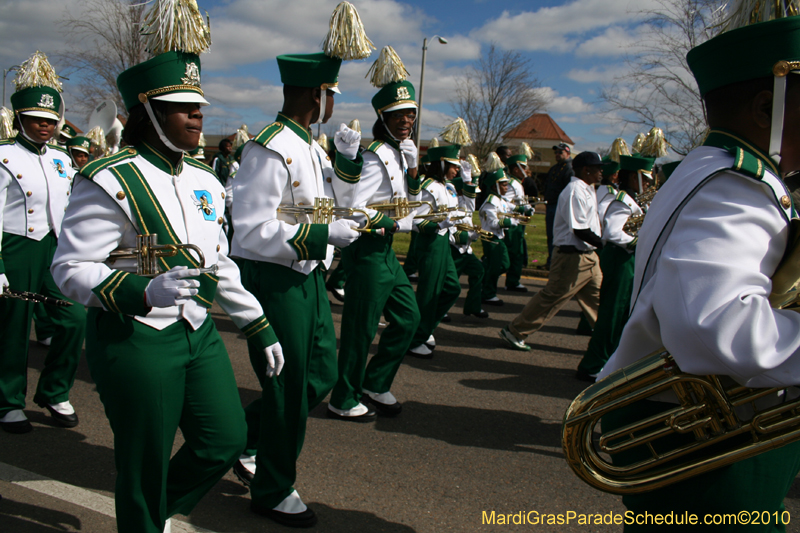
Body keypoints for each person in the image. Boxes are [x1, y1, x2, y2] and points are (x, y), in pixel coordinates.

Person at [51, 3, 285, 530]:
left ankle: (151, 518)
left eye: (198, 108)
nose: (197, 117)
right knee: (145, 461)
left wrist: (255, 322)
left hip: (197, 331)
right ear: (150, 112)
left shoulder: (206, 180)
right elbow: (69, 268)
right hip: (135, 336)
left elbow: (216, 261)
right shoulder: (109, 178)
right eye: (184, 109)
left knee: (224, 440)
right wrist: (140, 291)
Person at [593, 10, 800, 528]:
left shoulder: (713, 169)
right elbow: (714, 327)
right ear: (765, 108)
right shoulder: (736, 187)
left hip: (699, 426)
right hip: (709, 439)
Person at [230, 5, 369, 521]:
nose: (334, 104)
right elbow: (250, 231)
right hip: (277, 277)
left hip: (308, 276)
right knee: (287, 386)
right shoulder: (269, 149)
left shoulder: (311, 146)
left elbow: (329, 203)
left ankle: (244, 439)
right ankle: (273, 488)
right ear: (317, 94)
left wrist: (347, 171)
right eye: (332, 94)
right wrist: (322, 236)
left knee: (320, 374)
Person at [327, 45, 421, 420]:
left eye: (411, 114)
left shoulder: (400, 154)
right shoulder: (373, 156)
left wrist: (414, 172)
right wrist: (387, 222)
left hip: (386, 254)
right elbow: (352, 207)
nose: (406, 120)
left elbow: (410, 205)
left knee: (409, 319)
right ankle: (343, 397)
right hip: (367, 251)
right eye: (399, 114)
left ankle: (375, 382)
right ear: (383, 116)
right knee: (359, 331)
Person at [0, 51, 86, 434]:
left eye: (51, 120)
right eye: (37, 119)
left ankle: (54, 390)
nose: (45, 126)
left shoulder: (62, 159)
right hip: (15, 248)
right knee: (13, 328)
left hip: (55, 248)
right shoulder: (3, 156)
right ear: (20, 118)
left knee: (74, 318)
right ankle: (8, 401)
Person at [500, 151, 606, 351]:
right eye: (598, 169)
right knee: (552, 298)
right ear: (586, 170)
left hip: (587, 256)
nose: (601, 172)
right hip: (571, 257)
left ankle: (609, 341)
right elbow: (580, 229)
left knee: (599, 301)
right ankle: (515, 331)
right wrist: (605, 244)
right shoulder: (575, 191)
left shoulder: (588, 188)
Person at [575, 154, 653, 382]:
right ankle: (592, 364)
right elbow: (613, 233)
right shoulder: (621, 201)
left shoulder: (632, 200)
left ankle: (609, 361)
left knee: (621, 315)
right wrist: (640, 241)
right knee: (611, 314)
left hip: (626, 260)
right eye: (646, 179)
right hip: (619, 259)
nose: (649, 183)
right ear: (635, 177)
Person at [405, 144, 463, 358]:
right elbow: (415, 221)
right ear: (442, 164)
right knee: (428, 294)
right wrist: (438, 224)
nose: (457, 170)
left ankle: (424, 328)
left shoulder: (448, 187)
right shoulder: (428, 186)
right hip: (430, 243)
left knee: (451, 288)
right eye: (453, 166)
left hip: (443, 242)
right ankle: (414, 339)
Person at [450, 171, 488, 318]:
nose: (474, 197)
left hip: (466, 251)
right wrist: (469, 235)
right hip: (453, 251)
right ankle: (440, 310)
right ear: (460, 193)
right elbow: (451, 235)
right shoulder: (453, 208)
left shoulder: (466, 208)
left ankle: (474, 306)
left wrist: (475, 234)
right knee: (449, 285)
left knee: (478, 271)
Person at [479, 169, 518, 307]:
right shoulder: (491, 202)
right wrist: (509, 222)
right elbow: (493, 223)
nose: (506, 187)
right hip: (491, 238)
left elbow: (510, 208)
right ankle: (488, 294)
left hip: (498, 237)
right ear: (495, 186)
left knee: (504, 264)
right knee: (495, 267)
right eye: (504, 185)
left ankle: (483, 270)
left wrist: (522, 210)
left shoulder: (500, 200)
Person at [503, 152, 533, 292]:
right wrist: (520, 208)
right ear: (516, 169)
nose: (526, 170)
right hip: (511, 223)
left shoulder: (516, 183)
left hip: (517, 222)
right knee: (512, 254)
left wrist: (527, 207)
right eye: (524, 167)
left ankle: (513, 281)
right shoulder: (511, 183)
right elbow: (504, 203)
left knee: (518, 253)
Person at [543, 142, 573, 269]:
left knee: (558, 235)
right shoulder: (554, 168)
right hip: (550, 204)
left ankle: (556, 262)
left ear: (568, 153)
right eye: (556, 152)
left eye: (560, 152)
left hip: (559, 206)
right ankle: (551, 260)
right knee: (550, 234)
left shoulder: (569, 169)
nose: (557, 154)